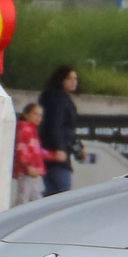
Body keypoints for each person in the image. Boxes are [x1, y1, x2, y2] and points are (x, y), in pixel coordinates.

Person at [39, 65, 81, 195]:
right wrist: (59, 148)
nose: (74, 81)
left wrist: (79, 145)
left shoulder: (60, 98)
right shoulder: (58, 99)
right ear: (61, 80)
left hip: (54, 151)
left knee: (53, 192)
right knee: (62, 193)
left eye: (75, 78)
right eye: (69, 78)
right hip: (56, 154)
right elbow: (55, 125)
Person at [14, 102, 47, 204]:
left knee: (34, 197)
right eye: (35, 114)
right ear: (26, 114)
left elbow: (38, 151)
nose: (38, 117)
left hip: (33, 172)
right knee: (24, 198)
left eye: (40, 115)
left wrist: (53, 155)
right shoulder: (24, 130)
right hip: (27, 172)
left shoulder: (33, 131)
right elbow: (21, 150)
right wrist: (28, 167)